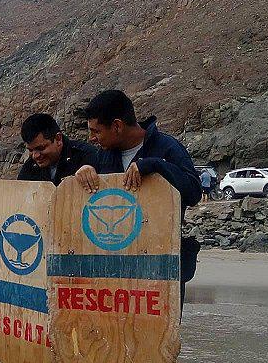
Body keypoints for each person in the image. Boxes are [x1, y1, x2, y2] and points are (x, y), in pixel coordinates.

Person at [74, 89, 201, 304]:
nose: (92, 138)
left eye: (96, 131)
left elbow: (193, 192)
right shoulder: (104, 154)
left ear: (117, 126)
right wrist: (84, 171)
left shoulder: (166, 148)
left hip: (159, 269)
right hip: (113, 268)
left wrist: (156, 166)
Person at [17, 113, 99, 185]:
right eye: (31, 150)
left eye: (41, 148)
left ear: (58, 139)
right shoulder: (29, 168)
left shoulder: (86, 156)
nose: (36, 156)